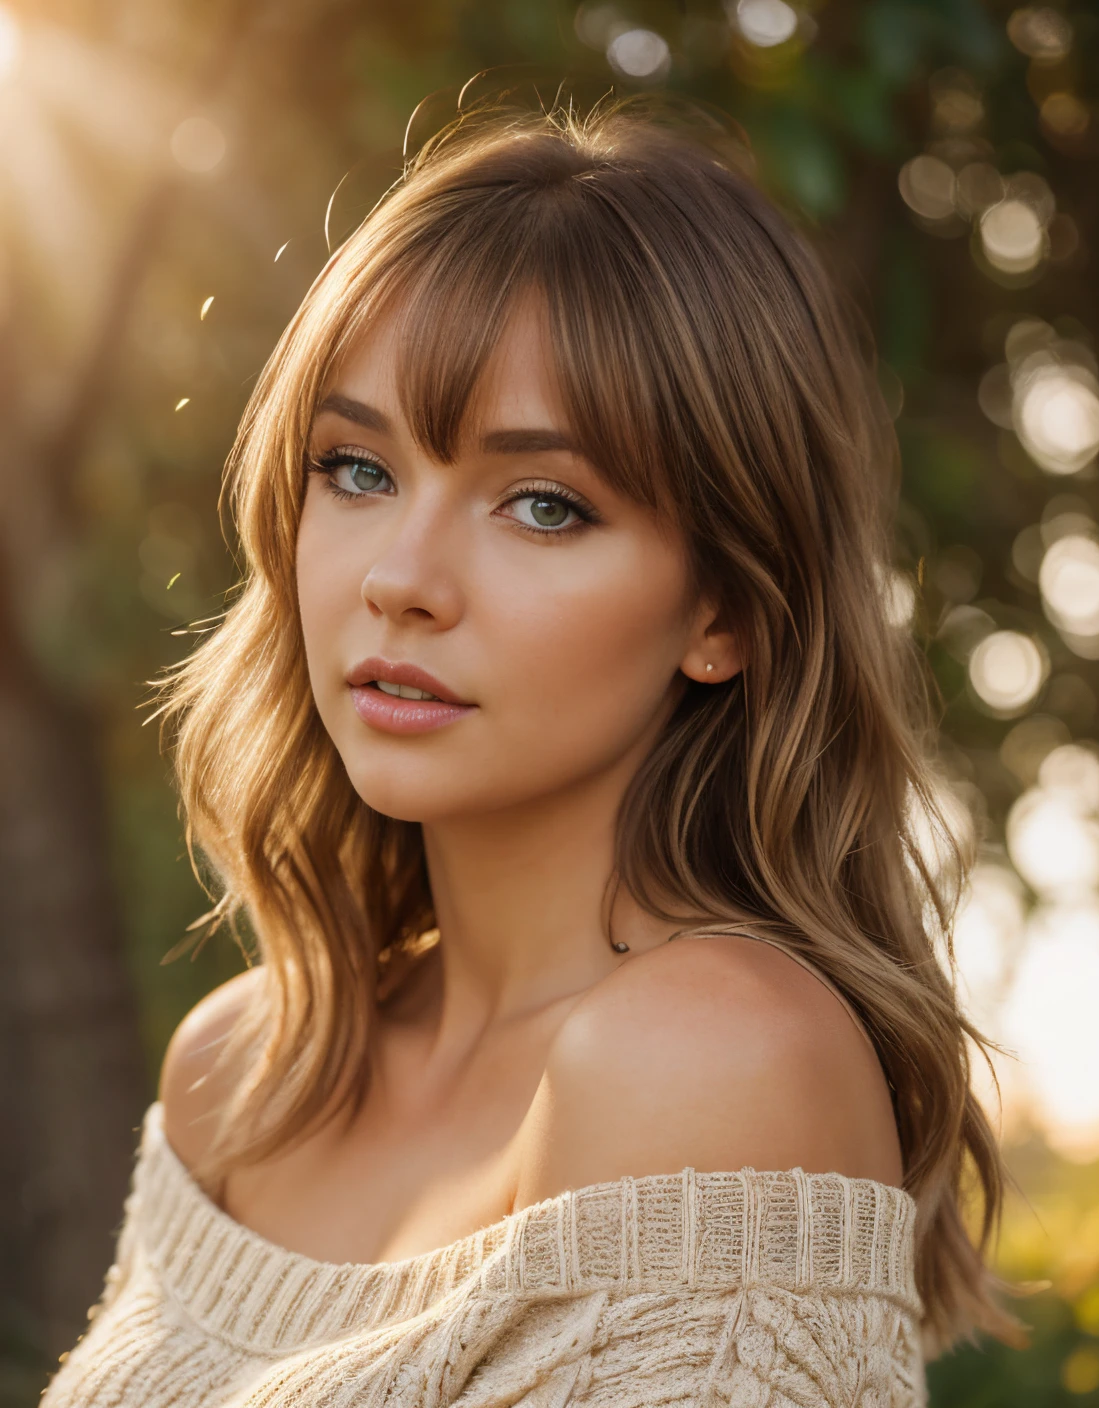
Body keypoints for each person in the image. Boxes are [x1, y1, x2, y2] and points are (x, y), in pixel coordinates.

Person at [42, 96, 1019, 1408]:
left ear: (723, 612)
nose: (401, 578)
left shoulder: (714, 1061)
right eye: (357, 469)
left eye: (544, 504)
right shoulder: (245, 1073)